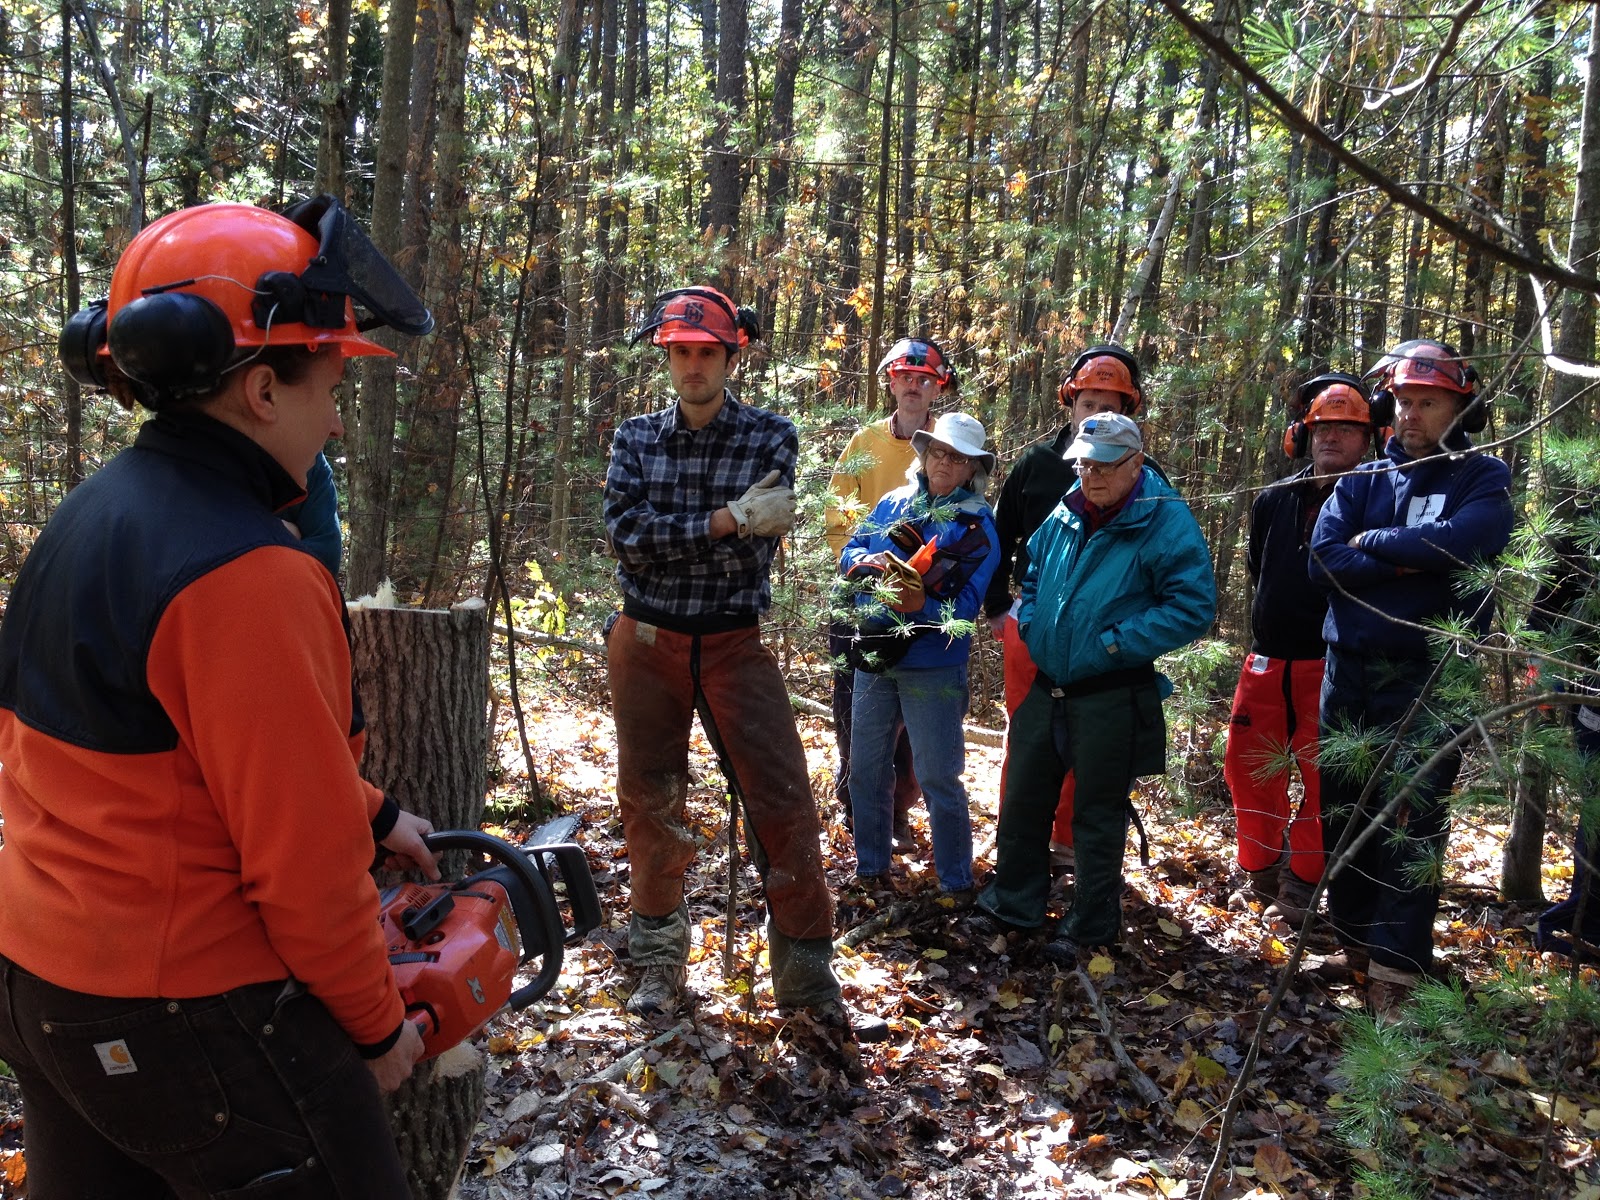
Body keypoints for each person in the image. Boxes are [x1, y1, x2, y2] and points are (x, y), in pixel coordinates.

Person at [0, 197, 441, 1198]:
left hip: (41, 980)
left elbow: (153, 757)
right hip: (185, 1008)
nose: (337, 420)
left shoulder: (91, 513)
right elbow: (302, 864)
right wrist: (375, 1027)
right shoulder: (248, 571)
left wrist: (372, 811)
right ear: (261, 390)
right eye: (331, 387)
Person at [604, 284, 886, 1041]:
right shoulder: (635, 438)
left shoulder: (770, 436)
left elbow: (744, 555)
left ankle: (806, 976)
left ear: (733, 357)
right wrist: (727, 520)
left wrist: (688, 536)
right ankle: (657, 957)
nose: (693, 366)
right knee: (651, 799)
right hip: (647, 641)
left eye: (707, 352)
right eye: (681, 352)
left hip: (734, 640)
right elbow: (628, 539)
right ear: (667, 357)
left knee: (782, 800)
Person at [1309, 338, 1513, 1015]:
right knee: (1344, 811)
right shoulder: (1362, 480)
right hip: (1348, 670)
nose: (1411, 415)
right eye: (1403, 401)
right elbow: (1323, 560)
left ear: (1462, 409)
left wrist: (1376, 546)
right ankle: (1354, 945)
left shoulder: (1482, 477)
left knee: (1412, 819)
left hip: (1430, 675)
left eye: (1428, 403)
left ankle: (1396, 969)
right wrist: (1416, 561)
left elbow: (1468, 541)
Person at [977, 412, 1215, 961]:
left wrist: (1115, 643)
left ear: (1136, 463)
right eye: (1084, 465)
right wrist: (1030, 620)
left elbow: (1193, 605)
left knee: (1097, 812)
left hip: (1112, 690)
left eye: (1105, 466)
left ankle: (1090, 923)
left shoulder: (1163, 518)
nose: (1092, 476)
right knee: (1024, 798)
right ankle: (1014, 902)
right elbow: (1033, 570)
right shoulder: (1068, 507)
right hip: (1048, 683)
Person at [984, 345, 1152, 871]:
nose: (1096, 414)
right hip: (1031, 623)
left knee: (1088, 742)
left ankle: (1068, 845)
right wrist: (997, 607)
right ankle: (1017, 839)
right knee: (1025, 737)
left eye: (1110, 406)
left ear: (1128, 411)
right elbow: (999, 536)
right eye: (1088, 404)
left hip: (1102, 636)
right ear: (1070, 403)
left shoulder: (1142, 476)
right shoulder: (1037, 464)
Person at [1224, 372, 1378, 924]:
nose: (1331, 437)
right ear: (1302, 434)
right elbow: (1258, 567)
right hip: (1267, 659)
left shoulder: (1375, 499)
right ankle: (1259, 870)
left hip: (1333, 663)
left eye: (1345, 428)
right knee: (1247, 770)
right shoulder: (1274, 499)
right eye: (1321, 427)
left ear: (1369, 438)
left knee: (1323, 780)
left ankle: (1303, 883)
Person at [837, 412, 1000, 900]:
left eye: (958, 457)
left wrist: (919, 605)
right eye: (938, 452)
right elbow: (851, 548)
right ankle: (871, 870)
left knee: (937, 777)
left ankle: (955, 881)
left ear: (973, 469)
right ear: (924, 454)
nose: (944, 463)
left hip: (934, 665)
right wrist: (861, 563)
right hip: (875, 653)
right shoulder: (893, 502)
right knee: (865, 767)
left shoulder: (977, 525)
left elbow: (965, 608)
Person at [825, 337, 953, 844]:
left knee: (914, 713)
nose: (914, 387)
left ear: (938, 388)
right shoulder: (865, 442)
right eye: (905, 378)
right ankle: (857, 806)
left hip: (921, 598)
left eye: (924, 380)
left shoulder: (948, 444)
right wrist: (858, 563)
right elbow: (838, 509)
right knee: (853, 705)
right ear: (891, 383)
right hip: (859, 595)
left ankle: (897, 810)